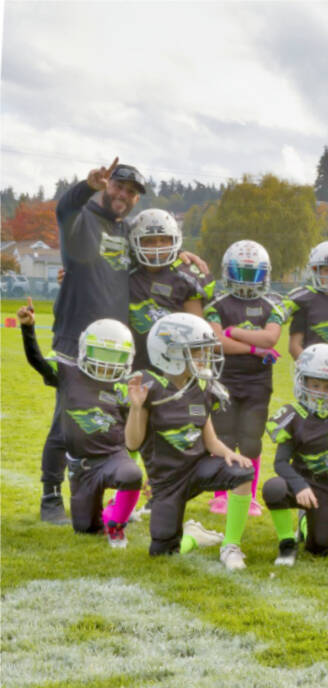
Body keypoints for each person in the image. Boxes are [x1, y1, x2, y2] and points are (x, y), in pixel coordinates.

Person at [41, 159, 207, 525]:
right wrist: (86, 186)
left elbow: (154, 240)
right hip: (76, 337)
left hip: (116, 345)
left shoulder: (125, 228)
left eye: (131, 193)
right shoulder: (82, 219)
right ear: (104, 185)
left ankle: (108, 496)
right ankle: (50, 496)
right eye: (118, 186)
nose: (124, 195)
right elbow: (63, 208)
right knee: (66, 421)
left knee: (111, 419)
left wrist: (180, 254)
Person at [124, 312, 253, 566]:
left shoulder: (200, 387)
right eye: (196, 352)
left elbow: (210, 440)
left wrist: (229, 453)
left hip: (197, 469)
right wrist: (137, 408)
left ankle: (231, 545)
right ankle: (192, 536)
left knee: (242, 471)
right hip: (167, 481)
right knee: (162, 552)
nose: (203, 358)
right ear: (170, 353)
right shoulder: (151, 388)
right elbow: (133, 443)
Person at [19, 302, 142, 544]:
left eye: (114, 356)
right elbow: (38, 362)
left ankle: (116, 525)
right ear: (86, 350)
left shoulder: (125, 386)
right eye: (101, 354)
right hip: (81, 466)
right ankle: (106, 515)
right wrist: (28, 330)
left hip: (112, 457)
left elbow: (134, 435)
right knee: (86, 529)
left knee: (131, 473)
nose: (107, 364)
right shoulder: (67, 373)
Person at [206, 240, 283, 517]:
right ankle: (220, 494)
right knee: (224, 435)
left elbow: (271, 337)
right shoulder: (216, 302)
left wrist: (232, 331)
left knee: (251, 440)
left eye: (253, 274)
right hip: (224, 378)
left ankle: (248, 496)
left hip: (257, 383)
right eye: (241, 273)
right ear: (229, 271)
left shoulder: (272, 302)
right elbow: (217, 343)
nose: (247, 281)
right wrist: (254, 348)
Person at [262, 344, 328, 564]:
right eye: (314, 384)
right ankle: (287, 542)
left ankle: (306, 523)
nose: (320, 392)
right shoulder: (294, 415)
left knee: (321, 547)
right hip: (300, 481)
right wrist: (299, 485)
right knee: (273, 488)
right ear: (302, 381)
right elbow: (280, 463)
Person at [126, 209, 207, 370]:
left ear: (175, 240)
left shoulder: (186, 276)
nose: (157, 246)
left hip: (174, 365)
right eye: (149, 241)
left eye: (164, 240)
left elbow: (198, 332)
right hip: (134, 364)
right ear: (135, 241)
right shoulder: (124, 271)